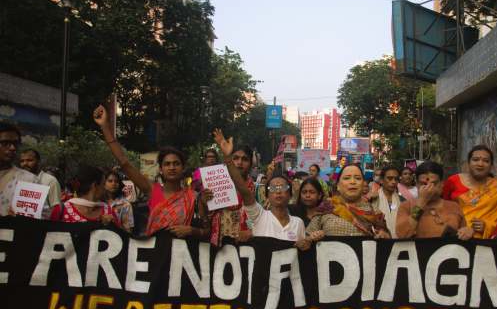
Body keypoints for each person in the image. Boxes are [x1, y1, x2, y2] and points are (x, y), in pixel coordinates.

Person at [93, 105, 206, 238]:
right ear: (161, 169)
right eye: (167, 164)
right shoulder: (153, 190)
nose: (172, 167)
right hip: (153, 250)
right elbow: (124, 163)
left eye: (176, 164)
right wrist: (104, 126)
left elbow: (208, 231)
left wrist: (192, 231)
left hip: (182, 250)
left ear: (183, 168)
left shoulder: (194, 197)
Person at [213, 129, 307, 245]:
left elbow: (246, 193)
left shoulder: (297, 223)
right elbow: (207, 216)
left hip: (253, 245)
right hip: (223, 243)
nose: (239, 162)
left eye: (283, 188)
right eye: (235, 158)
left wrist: (255, 231)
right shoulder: (219, 185)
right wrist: (204, 200)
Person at [306, 164, 390, 238]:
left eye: (358, 178)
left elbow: (388, 239)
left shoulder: (374, 211)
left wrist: (384, 235)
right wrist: (313, 237)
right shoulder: (326, 207)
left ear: (363, 184)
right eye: (346, 178)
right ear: (338, 185)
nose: (352, 182)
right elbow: (306, 239)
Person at [442, 144, 497, 238]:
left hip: (484, 242)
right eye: (475, 159)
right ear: (468, 163)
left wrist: (486, 226)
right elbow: (442, 208)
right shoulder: (453, 181)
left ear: (491, 166)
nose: (480, 164)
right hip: (455, 236)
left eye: (486, 161)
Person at [396, 161, 473, 240]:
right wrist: (420, 203)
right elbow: (402, 234)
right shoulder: (406, 206)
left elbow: (463, 234)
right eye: (424, 184)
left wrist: (467, 231)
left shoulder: (454, 207)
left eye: (434, 183)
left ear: (442, 184)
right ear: (417, 185)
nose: (430, 188)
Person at [50, 165, 118, 226]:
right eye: (103, 184)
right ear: (94, 186)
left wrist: (112, 225)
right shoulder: (61, 210)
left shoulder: (108, 211)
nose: (104, 188)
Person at [0, 122, 39, 216]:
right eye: (5, 143)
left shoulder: (28, 180)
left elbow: (40, 216)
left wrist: (20, 219)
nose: (12, 148)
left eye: (15, 144)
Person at [19, 148, 61, 217]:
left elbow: (56, 208)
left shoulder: (50, 180)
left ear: (38, 161)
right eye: (22, 161)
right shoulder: (18, 181)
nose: (25, 163)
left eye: (29, 160)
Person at [370, 166, 404, 238]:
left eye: (396, 179)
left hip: (399, 241)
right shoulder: (372, 199)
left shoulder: (402, 200)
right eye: (389, 178)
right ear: (381, 180)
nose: (393, 182)